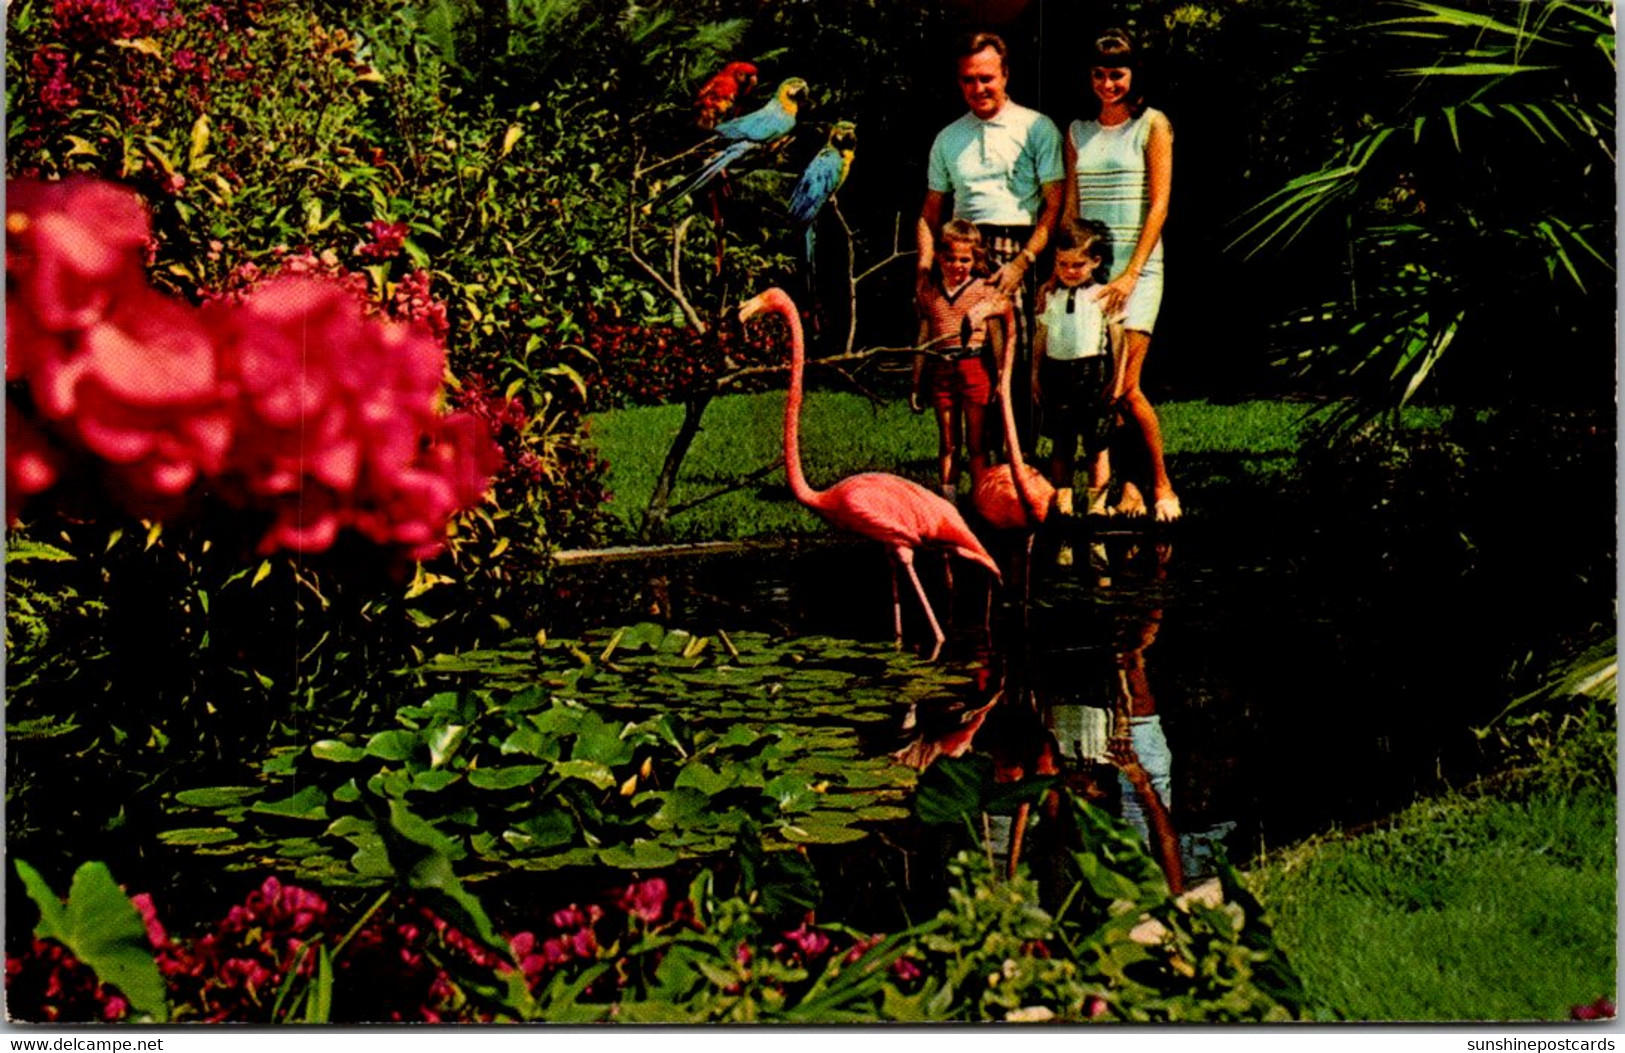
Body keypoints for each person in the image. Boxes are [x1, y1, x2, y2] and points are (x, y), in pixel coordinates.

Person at [917, 32, 1065, 445]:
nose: (978, 88)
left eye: (986, 78)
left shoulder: (1036, 127)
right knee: (966, 362)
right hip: (964, 251)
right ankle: (981, 472)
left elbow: (1055, 204)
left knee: (1018, 364)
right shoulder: (949, 138)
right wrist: (925, 268)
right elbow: (930, 213)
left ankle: (1023, 472)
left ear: (1005, 75)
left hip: (1021, 249)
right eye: (968, 80)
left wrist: (1022, 264)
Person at [1065, 28, 1181, 521]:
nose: (1107, 83)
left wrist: (1133, 273)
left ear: (1133, 75)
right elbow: (1072, 207)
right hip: (1092, 274)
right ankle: (1122, 489)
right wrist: (1063, 270)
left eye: (1116, 74)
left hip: (1140, 270)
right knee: (1098, 390)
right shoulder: (1076, 132)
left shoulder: (1153, 125)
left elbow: (1160, 205)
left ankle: (1161, 486)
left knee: (1124, 386)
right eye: (1098, 74)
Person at [910, 220, 1011, 500]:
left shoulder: (983, 290)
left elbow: (996, 336)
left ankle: (981, 501)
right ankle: (949, 503)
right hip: (941, 368)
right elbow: (923, 339)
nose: (957, 265)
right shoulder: (930, 293)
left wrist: (1001, 375)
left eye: (964, 259)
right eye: (950, 258)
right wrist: (916, 382)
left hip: (974, 367)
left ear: (975, 259)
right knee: (948, 442)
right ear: (939, 257)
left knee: (977, 442)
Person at [1032, 218, 1124, 521]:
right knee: (1062, 443)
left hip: (1093, 374)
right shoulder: (1049, 296)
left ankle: (1097, 505)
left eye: (1078, 265)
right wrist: (1034, 374)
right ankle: (1065, 503)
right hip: (1057, 373)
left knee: (1097, 444)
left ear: (1095, 262)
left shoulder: (1104, 295)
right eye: (1063, 264)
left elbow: (1117, 340)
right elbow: (1040, 337)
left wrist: (1117, 379)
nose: (1070, 271)